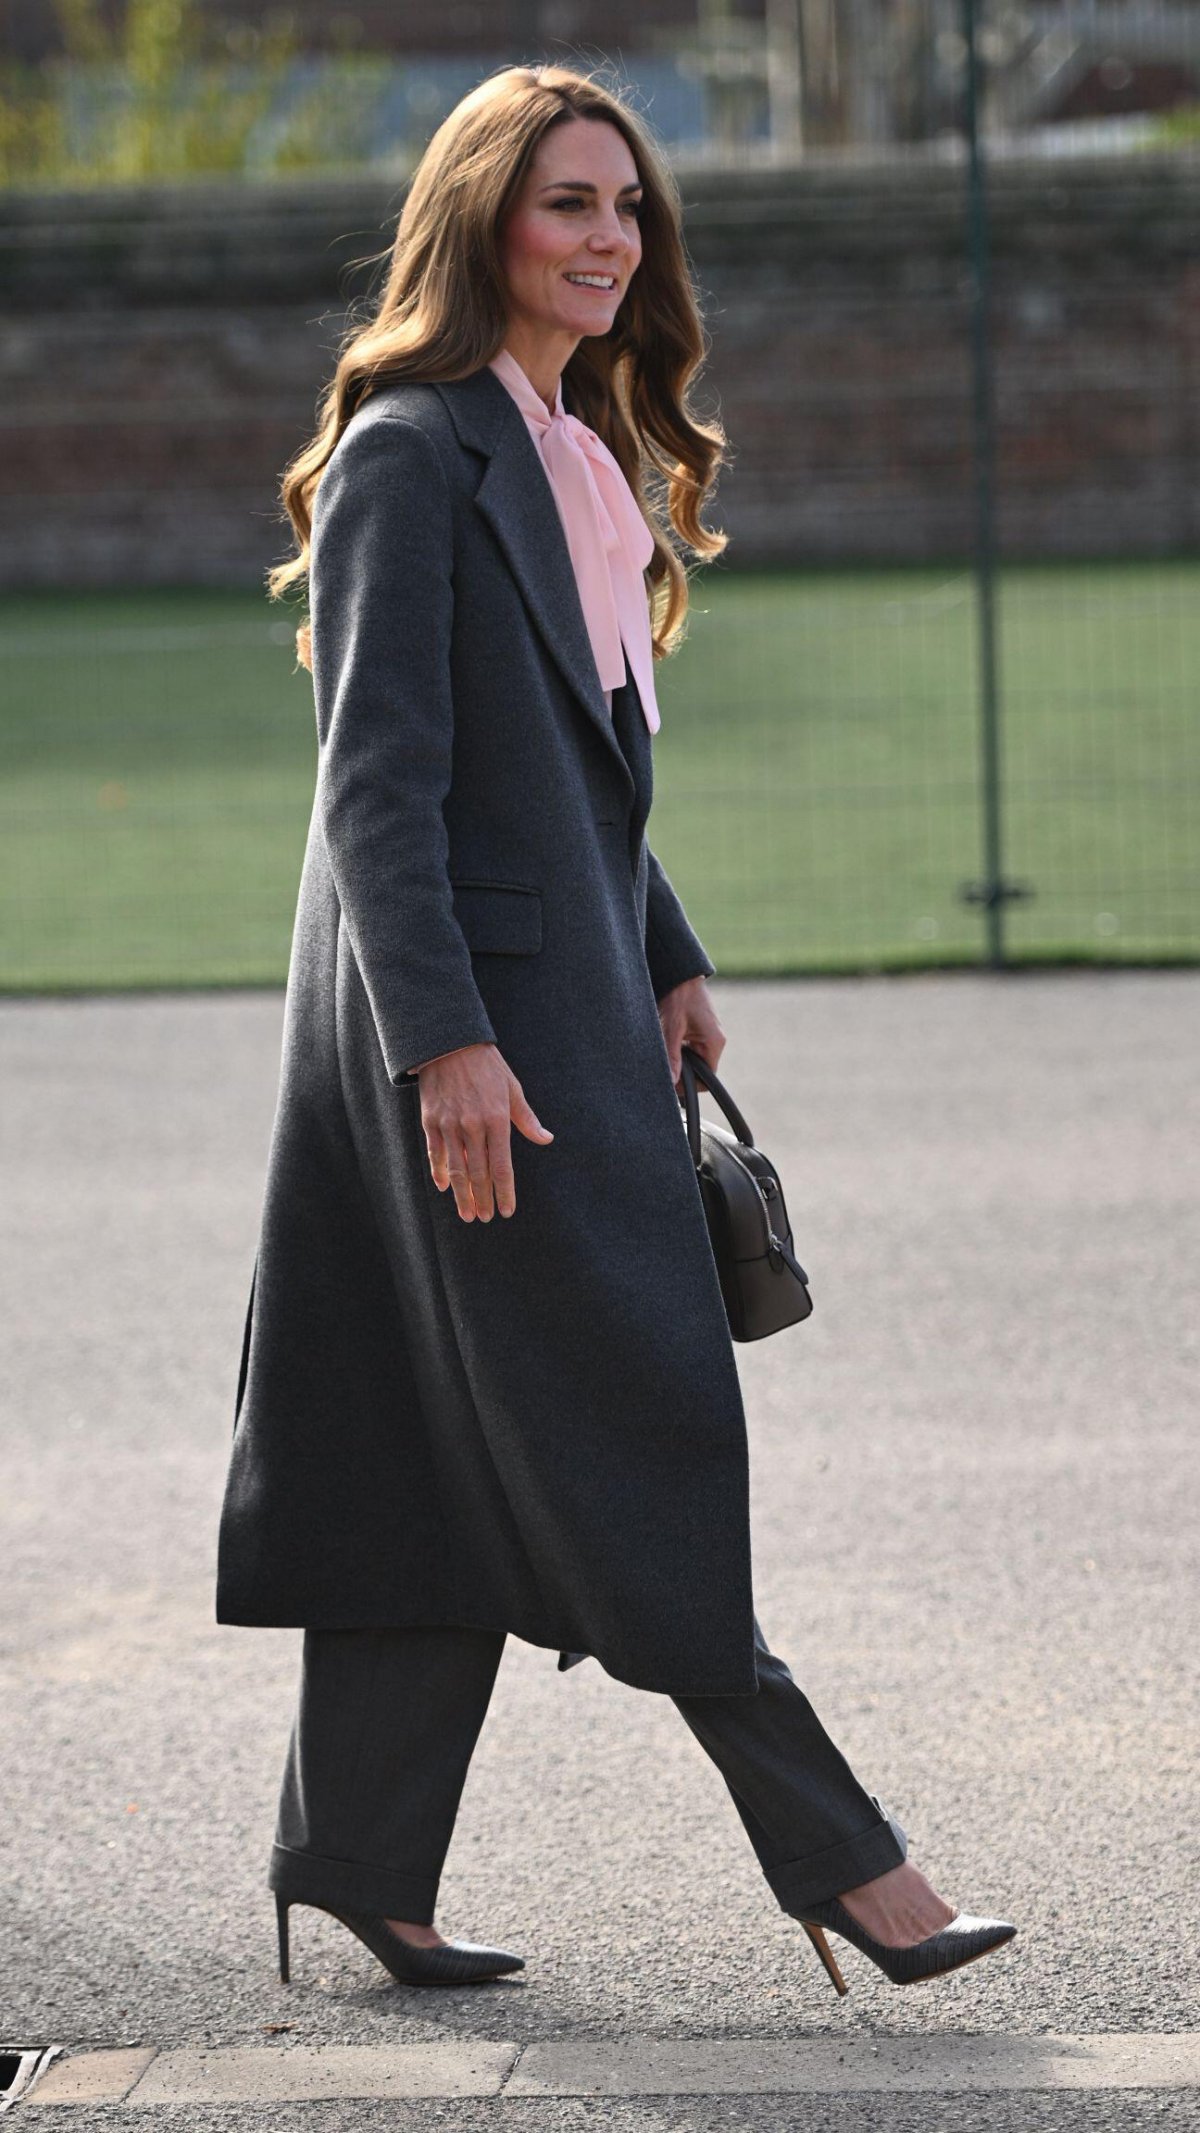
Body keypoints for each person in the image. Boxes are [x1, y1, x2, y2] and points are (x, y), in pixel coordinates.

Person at [216, 62, 1015, 1998]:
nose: (608, 240)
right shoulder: (419, 450)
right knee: (636, 1415)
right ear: (483, 220)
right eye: (569, 203)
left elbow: (574, 762)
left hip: (569, 1002)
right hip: (478, 1045)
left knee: (438, 1438)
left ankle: (354, 1854)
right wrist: (447, 1046)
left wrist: (663, 939)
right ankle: (852, 1861)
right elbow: (378, 787)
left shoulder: (569, 451)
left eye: (629, 209)